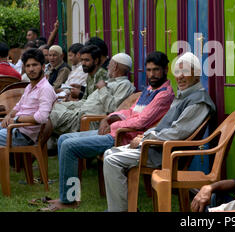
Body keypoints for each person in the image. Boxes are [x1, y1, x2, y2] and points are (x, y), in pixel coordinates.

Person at [36, 51, 175, 211]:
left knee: (69, 146)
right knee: (64, 139)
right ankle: (69, 195)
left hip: (125, 139)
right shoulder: (150, 89)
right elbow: (130, 111)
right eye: (149, 70)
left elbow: (141, 121)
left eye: (156, 70)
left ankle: (69, 200)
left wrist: (113, 124)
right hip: (116, 131)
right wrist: (110, 118)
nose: (152, 74)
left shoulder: (164, 95)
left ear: (165, 69)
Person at [102, 52, 216, 212]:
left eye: (186, 72)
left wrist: (144, 139)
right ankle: (124, 207)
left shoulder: (198, 101)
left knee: (112, 160)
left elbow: (177, 133)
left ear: (196, 75)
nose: (180, 77)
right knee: (109, 154)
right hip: (157, 147)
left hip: (165, 154)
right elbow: (166, 127)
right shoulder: (185, 96)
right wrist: (145, 136)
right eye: (177, 72)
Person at [46, 53, 136, 150]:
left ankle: (35, 152)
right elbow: (87, 102)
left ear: (115, 66)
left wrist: (102, 89)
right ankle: (43, 148)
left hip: (86, 120)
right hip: (77, 112)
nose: (108, 66)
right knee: (48, 107)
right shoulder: (110, 82)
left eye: (110, 64)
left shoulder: (124, 85)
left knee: (45, 116)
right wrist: (66, 104)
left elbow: (113, 109)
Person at [0, 49, 56, 146]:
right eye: (28, 66)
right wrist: (8, 116)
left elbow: (42, 117)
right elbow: (18, 106)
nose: (31, 69)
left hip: (23, 135)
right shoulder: (30, 87)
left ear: (43, 67)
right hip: (15, 128)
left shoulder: (45, 89)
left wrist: (17, 119)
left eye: (35, 65)